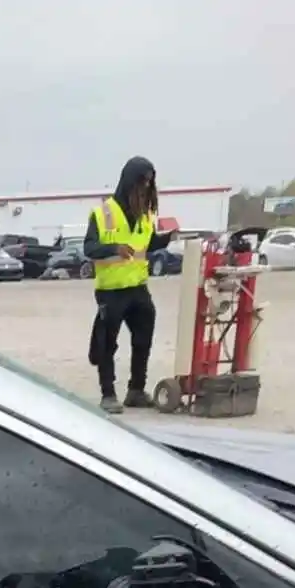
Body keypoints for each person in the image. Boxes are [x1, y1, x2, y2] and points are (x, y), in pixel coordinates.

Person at [83, 156, 175, 413]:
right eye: (142, 182)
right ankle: (108, 393)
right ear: (128, 181)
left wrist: (166, 239)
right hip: (111, 291)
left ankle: (136, 390)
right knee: (107, 342)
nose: (146, 188)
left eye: (149, 183)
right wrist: (114, 248)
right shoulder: (103, 214)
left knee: (143, 337)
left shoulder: (145, 215)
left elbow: (146, 244)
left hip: (137, 287)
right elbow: (89, 247)